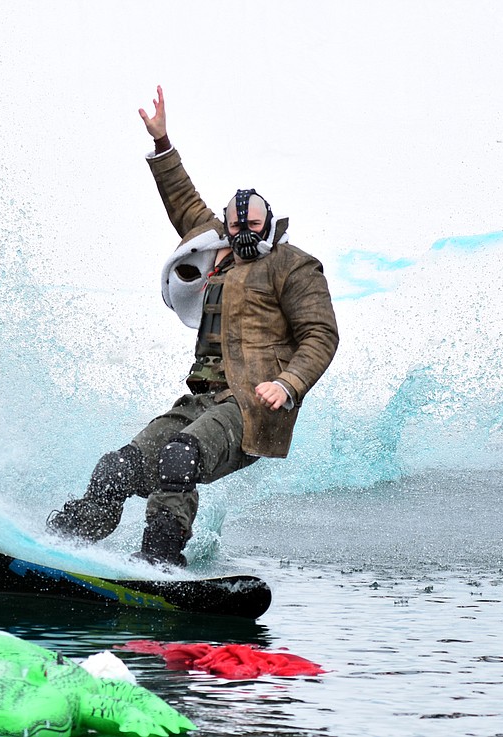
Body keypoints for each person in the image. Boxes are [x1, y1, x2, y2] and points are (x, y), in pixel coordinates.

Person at [47, 86, 340, 567]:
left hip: (250, 405)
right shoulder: (218, 248)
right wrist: (162, 144)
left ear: (270, 227)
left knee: (180, 458)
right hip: (200, 401)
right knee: (116, 468)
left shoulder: (294, 266)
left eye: (253, 226)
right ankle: (70, 540)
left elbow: (321, 335)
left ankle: (161, 560)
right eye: (235, 226)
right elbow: (183, 201)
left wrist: (288, 384)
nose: (242, 235)